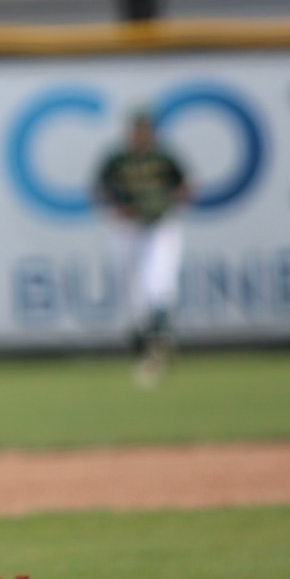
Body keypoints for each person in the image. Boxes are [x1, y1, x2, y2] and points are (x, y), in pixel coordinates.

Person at [94, 107, 191, 387]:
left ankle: (158, 346)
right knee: (133, 291)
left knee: (158, 284)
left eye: (144, 129)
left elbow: (185, 185)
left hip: (159, 226)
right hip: (128, 228)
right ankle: (145, 345)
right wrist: (117, 207)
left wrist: (166, 204)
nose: (140, 134)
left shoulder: (164, 156)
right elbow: (101, 189)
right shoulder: (117, 158)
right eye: (136, 129)